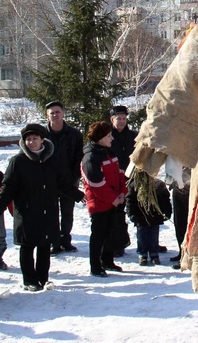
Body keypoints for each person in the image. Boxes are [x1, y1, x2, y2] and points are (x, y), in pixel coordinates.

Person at [0, 124, 84, 291]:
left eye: (35, 138)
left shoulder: (52, 160)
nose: (31, 142)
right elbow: (8, 187)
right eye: (28, 139)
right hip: (26, 212)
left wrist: (79, 196)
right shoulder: (18, 162)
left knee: (44, 246)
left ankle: (43, 278)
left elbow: (63, 183)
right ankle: (29, 280)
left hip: (47, 210)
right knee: (27, 247)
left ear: (42, 139)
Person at [81, 122, 128, 277]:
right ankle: (95, 266)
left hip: (114, 201)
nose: (111, 138)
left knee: (110, 232)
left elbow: (119, 173)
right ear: (100, 139)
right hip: (99, 204)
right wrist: (112, 199)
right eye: (108, 136)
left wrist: (122, 192)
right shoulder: (91, 157)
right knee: (98, 235)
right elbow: (96, 183)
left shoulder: (109, 152)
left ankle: (107, 260)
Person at [44, 101, 83, 254]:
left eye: (57, 112)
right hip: (49, 182)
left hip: (69, 181)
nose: (55, 115)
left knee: (67, 213)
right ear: (47, 115)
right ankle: (54, 242)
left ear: (63, 113)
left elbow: (79, 157)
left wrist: (74, 177)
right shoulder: (42, 135)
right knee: (51, 213)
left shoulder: (74, 134)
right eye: (52, 113)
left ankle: (66, 240)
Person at [108, 105, 136, 257]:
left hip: (131, 177)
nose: (121, 121)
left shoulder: (133, 136)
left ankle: (148, 243)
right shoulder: (108, 137)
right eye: (118, 118)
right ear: (112, 120)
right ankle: (117, 244)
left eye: (124, 118)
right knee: (117, 212)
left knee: (137, 210)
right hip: (113, 179)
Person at [125, 176, 172, 266]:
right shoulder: (135, 185)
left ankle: (154, 254)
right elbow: (130, 200)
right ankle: (142, 254)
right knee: (142, 236)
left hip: (155, 216)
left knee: (154, 235)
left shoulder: (158, 185)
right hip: (140, 216)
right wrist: (132, 213)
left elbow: (165, 199)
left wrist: (166, 211)